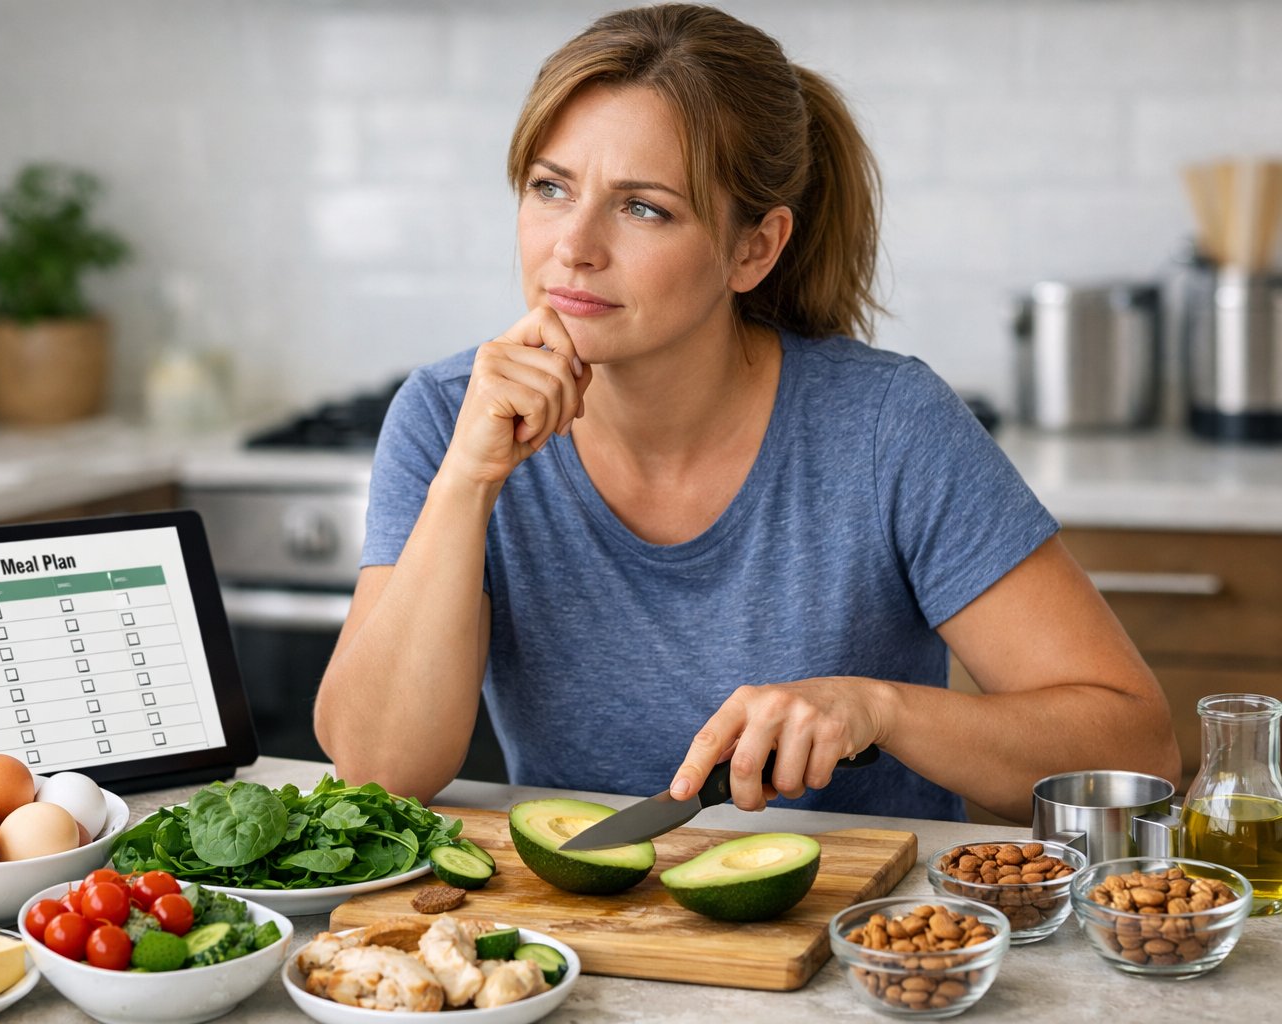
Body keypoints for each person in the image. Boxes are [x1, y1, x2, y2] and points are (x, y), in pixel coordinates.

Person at [313, 3, 1180, 824]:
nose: (572, 247)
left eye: (643, 207)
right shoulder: (446, 418)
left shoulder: (885, 427)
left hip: (869, 950)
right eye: (550, 188)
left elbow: (1139, 753)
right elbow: (376, 774)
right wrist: (469, 482)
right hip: (576, 942)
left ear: (754, 248)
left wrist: (877, 709)